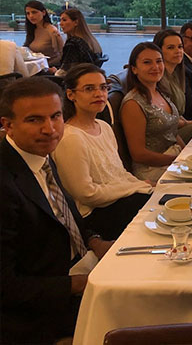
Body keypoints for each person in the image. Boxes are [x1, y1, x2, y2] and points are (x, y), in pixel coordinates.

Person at [0, 77, 112, 344]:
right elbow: (6, 286)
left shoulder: (40, 156)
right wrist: (81, 284)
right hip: (37, 312)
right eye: (34, 120)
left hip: (76, 271)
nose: (49, 129)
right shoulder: (5, 183)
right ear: (8, 125)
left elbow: (65, 216)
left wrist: (95, 242)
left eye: (55, 116)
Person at [53, 64, 152, 240]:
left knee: (165, 198)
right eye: (89, 89)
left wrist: (140, 185)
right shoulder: (71, 138)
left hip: (121, 201)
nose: (99, 94)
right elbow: (87, 194)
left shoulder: (104, 127)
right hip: (97, 215)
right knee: (161, 210)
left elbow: (119, 173)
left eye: (103, 87)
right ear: (71, 95)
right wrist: (135, 187)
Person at [120, 42, 184, 182]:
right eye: (147, 62)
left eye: (159, 61)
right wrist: (177, 160)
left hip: (173, 161)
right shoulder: (133, 104)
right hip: (153, 171)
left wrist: (187, 154)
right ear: (134, 69)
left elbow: (173, 131)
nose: (155, 67)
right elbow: (139, 154)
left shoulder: (160, 92)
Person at [153, 29, 192, 142]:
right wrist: (188, 123)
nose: (178, 51)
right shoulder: (157, 79)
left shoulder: (176, 74)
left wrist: (188, 122)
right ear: (158, 51)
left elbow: (176, 111)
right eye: (171, 48)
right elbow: (166, 119)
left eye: (180, 47)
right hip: (169, 134)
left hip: (180, 126)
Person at [56, 8, 102, 76]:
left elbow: (64, 72)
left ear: (76, 22)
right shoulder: (90, 41)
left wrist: (53, 71)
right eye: (60, 20)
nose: (60, 24)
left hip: (75, 79)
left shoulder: (73, 44)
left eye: (64, 20)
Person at [23, 0, 63, 67]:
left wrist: (45, 66)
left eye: (34, 12)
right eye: (28, 13)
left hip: (49, 68)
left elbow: (61, 55)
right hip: (35, 66)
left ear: (43, 12)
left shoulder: (52, 31)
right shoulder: (32, 30)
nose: (31, 16)